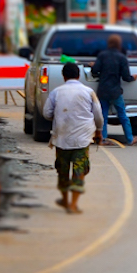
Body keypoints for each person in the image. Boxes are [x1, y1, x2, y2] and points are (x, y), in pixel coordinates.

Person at [43, 61, 103, 213]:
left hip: (61, 138)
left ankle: (64, 199)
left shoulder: (56, 92)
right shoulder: (88, 92)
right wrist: (99, 131)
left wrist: (59, 117)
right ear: (79, 75)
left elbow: (46, 113)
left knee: (62, 170)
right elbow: (98, 116)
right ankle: (73, 205)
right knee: (79, 170)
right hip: (82, 140)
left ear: (64, 76)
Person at [91, 34, 137, 146]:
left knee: (103, 116)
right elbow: (126, 77)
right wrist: (133, 78)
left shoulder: (102, 55)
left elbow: (95, 71)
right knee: (122, 115)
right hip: (115, 91)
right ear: (119, 44)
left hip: (103, 90)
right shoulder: (122, 57)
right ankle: (130, 139)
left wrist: (93, 66)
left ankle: (103, 138)